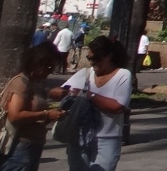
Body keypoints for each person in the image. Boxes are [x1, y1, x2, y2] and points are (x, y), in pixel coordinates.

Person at [62, 36, 132, 171]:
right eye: (90, 58)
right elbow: (61, 91)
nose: (93, 62)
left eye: (97, 58)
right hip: (79, 137)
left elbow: (118, 107)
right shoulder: (85, 73)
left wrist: (89, 95)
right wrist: (60, 92)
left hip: (107, 139)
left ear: (109, 56)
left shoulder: (123, 75)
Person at [0, 42, 63, 171]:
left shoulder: (36, 83)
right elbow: (14, 115)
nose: (50, 72)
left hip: (33, 144)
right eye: (49, 67)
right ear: (38, 63)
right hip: (19, 146)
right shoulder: (21, 83)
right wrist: (46, 114)